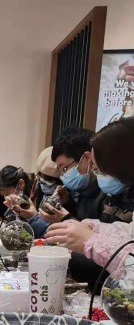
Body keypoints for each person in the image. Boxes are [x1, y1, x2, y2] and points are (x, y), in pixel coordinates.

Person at [45, 118, 134, 276]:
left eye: (101, 170)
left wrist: (91, 240)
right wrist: (93, 228)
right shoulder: (108, 194)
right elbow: (129, 233)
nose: (99, 174)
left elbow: (128, 263)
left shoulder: (109, 194)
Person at [41, 128, 104, 224]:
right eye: (60, 172)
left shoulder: (107, 193)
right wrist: (67, 202)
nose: (63, 176)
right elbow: (80, 219)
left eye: (65, 168)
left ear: (87, 158)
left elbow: (94, 231)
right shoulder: (84, 190)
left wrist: (65, 219)